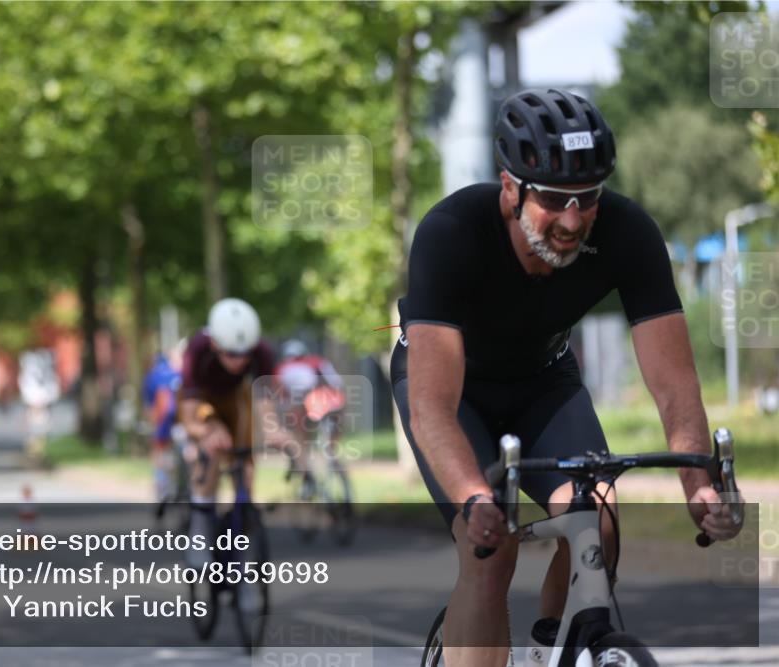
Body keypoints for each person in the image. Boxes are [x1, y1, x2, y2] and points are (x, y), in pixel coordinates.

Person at [391, 88, 744, 667]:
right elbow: (432, 404)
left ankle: (554, 650)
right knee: (491, 546)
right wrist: (475, 497)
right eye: (555, 200)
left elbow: (675, 387)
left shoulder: (628, 232)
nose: (573, 220)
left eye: (588, 198)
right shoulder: (452, 231)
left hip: (543, 382)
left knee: (597, 517)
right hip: (455, 394)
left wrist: (698, 487)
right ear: (511, 189)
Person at [177, 298, 295, 560]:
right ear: (216, 344)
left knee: (245, 458)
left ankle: (244, 525)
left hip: (236, 398)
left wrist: (273, 429)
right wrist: (206, 431)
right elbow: (190, 416)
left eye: (245, 353)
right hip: (203, 401)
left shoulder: (261, 352)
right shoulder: (196, 351)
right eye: (231, 354)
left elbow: (264, 398)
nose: (240, 361)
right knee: (211, 451)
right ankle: (200, 527)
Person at [274, 339, 345, 476]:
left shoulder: (281, 368)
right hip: (332, 403)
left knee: (296, 434)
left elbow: (280, 396)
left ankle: (303, 468)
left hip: (307, 405)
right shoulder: (319, 361)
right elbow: (337, 383)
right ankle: (331, 453)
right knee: (333, 432)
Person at [143, 351, 182, 502]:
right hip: (179, 419)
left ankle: (161, 485)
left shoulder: (151, 376)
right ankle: (181, 482)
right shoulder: (177, 373)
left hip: (162, 420)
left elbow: (150, 406)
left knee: (159, 451)